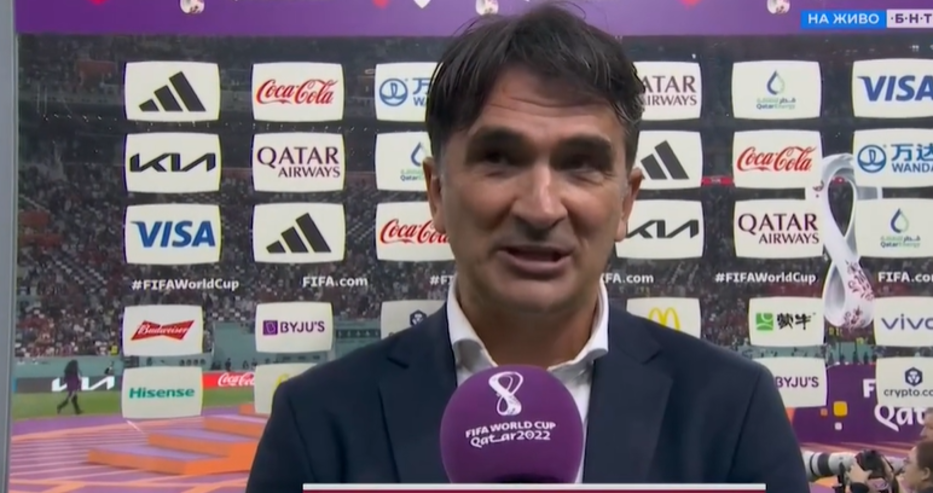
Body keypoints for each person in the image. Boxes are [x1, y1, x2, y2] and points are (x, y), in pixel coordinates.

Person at [246, 4, 807, 491]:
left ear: (626, 202)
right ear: (437, 192)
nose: (541, 208)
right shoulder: (316, 422)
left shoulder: (733, 410)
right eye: (499, 159)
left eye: (580, 164)